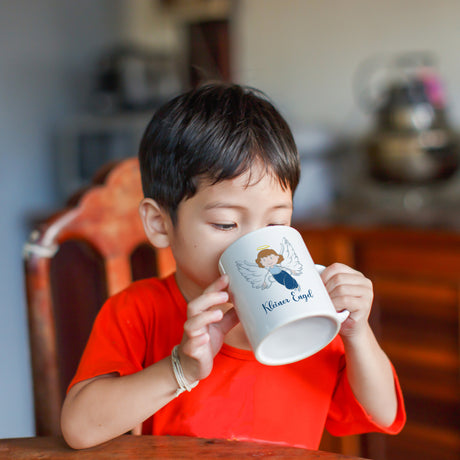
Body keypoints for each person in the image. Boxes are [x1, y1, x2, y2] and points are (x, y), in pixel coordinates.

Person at [60, 83, 405, 450]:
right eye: (226, 224)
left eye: (276, 225)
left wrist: (357, 333)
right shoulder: (139, 310)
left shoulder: (310, 312)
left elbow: (383, 414)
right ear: (160, 224)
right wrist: (181, 368)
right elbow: (81, 429)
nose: (253, 247)